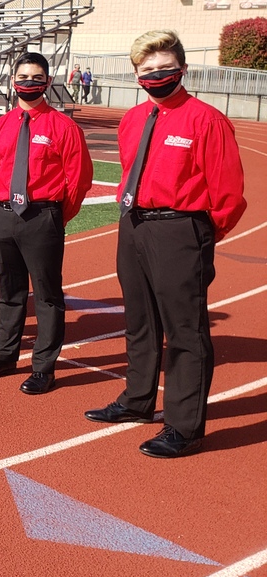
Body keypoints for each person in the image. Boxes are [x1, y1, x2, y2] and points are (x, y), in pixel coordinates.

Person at [85, 29, 245, 458]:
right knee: (139, 320)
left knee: (185, 331)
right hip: (134, 225)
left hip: (180, 230)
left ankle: (184, 426)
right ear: (137, 74)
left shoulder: (206, 119)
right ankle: (137, 401)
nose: (157, 75)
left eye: (165, 68)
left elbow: (228, 194)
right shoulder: (134, 119)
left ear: (183, 69)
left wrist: (199, 239)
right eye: (148, 70)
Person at [0, 52, 93, 394]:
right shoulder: (0, 125)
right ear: (13, 82)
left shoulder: (64, 127)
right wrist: (2, 206)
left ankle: (43, 367)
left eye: (36, 78)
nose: (29, 83)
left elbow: (79, 179)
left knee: (47, 295)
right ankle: (4, 355)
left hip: (42, 218)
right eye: (23, 77)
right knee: (9, 292)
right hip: (3, 217)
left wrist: (54, 216)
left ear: (48, 82)